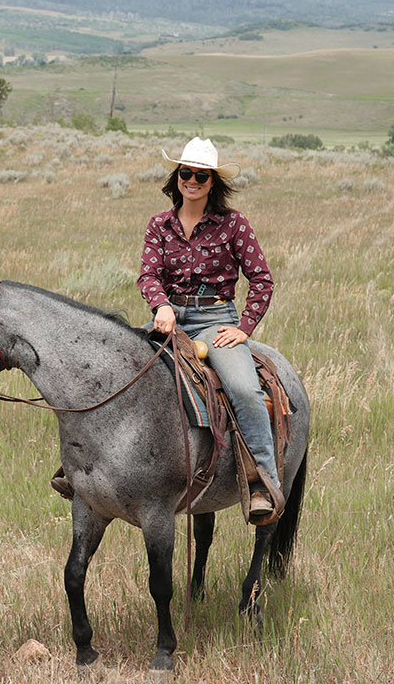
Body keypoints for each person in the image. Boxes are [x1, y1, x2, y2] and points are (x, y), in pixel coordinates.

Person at [138, 137, 279, 522]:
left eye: (202, 175)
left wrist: (244, 328)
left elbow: (262, 281)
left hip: (215, 322)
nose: (193, 181)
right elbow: (148, 275)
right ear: (177, 177)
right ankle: (88, 468)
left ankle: (262, 483)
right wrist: (161, 304)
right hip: (168, 319)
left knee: (244, 390)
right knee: (117, 364)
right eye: (187, 173)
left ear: (212, 181)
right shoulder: (159, 225)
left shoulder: (234, 225)